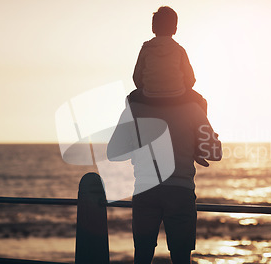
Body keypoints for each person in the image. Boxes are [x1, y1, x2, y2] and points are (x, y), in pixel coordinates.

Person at [107, 98, 221, 264]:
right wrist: (194, 144)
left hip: (145, 190)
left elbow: (113, 152)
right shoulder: (193, 108)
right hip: (180, 191)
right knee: (181, 257)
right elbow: (215, 153)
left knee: (142, 255)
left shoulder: (133, 109)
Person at [130, 6, 210, 166]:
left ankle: (134, 143)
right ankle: (200, 145)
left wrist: (146, 89)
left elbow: (136, 76)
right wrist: (182, 89)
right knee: (202, 101)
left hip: (149, 96)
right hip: (177, 95)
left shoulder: (146, 48)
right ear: (175, 28)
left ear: (153, 27)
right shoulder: (179, 50)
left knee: (130, 100)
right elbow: (191, 79)